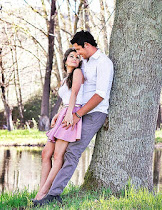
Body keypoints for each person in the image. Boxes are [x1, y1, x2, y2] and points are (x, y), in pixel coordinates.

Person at [33, 30, 114, 206]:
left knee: (72, 152)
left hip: (94, 113)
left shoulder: (104, 63)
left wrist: (77, 114)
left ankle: (53, 194)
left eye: (78, 49)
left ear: (87, 45)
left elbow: (100, 95)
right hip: (78, 112)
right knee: (59, 152)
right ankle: (46, 192)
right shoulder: (84, 62)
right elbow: (74, 90)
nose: (77, 54)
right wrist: (65, 112)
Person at [34, 48, 85, 201]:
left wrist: (70, 113)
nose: (75, 59)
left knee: (58, 156)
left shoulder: (77, 73)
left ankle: (42, 194)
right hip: (64, 112)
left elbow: (75, 94)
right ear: (65, 60)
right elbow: (67, 96)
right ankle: (42, 189)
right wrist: (59, 113)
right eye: (71, 56)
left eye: (77, 57)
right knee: (45, 154)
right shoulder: (65, 78)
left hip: (71, 112)